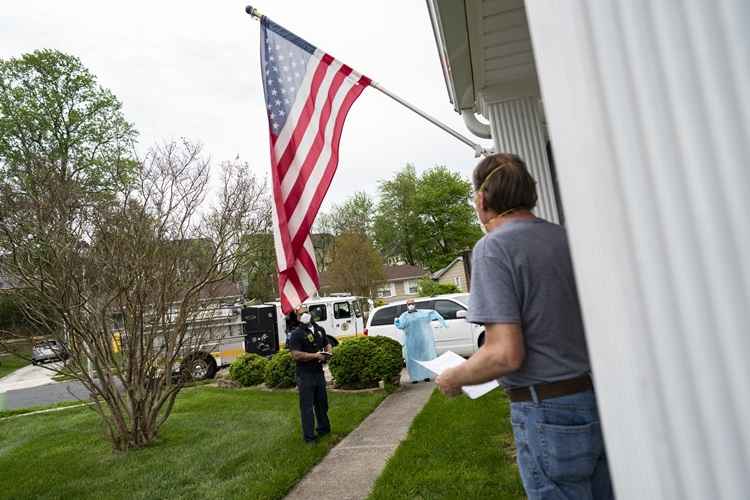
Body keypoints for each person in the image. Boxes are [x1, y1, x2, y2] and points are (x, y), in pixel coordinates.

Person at [435, 153, 614, 499]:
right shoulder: (564, 238)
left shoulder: (493, 248)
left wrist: (452, 377)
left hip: (545, 410)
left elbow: (505, 354)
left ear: (481, 199)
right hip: (593, 399)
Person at [288, 306, 332, 444]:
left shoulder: (319, 329)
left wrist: (327, 353)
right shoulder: (296, 334)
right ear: (298, 317)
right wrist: (315, 356)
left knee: (322, 404)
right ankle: (310, 437)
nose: (305, 315)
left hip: (318, 373)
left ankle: (324, 429)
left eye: (306, 312)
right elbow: (296, 354)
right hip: (305, 375)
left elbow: (327, 343)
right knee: (307, 407)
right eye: (301, 313)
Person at [394, 299, 447, 383]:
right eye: (409, 304)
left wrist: (442, 321)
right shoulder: (404, 316)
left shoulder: (422, 314)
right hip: (410, 341)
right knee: (412, 360)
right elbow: (401, 325)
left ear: (415, 304)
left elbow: (432, 313)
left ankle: (426, 376)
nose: (411, 305)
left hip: (423, 340)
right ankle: (414, 378)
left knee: (424, 358)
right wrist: (396, 321)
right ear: (406, 305)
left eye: (412, 303)